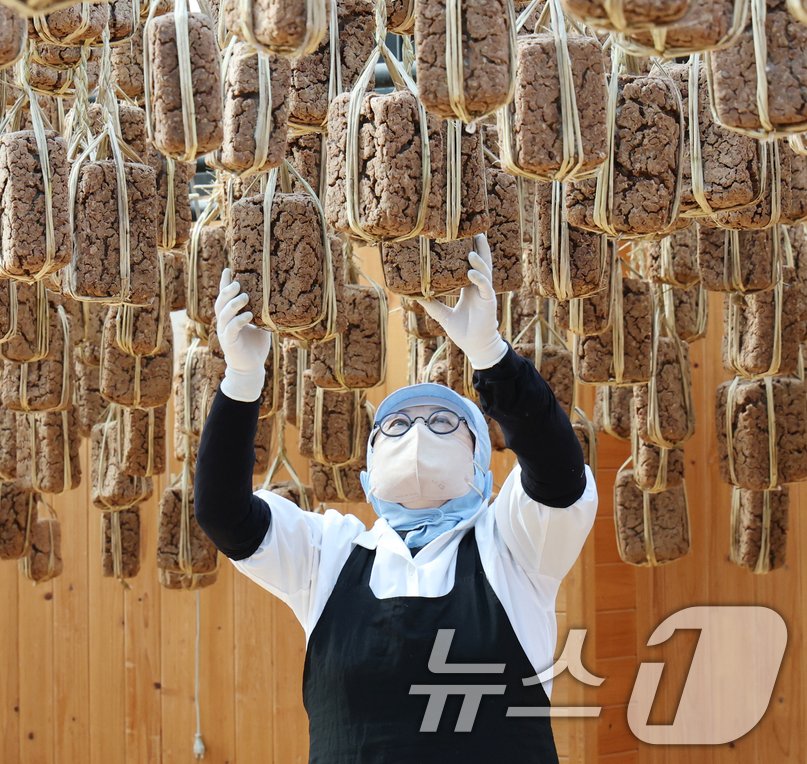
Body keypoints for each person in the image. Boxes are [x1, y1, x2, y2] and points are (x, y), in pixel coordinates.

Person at [195, 237, 598, 763]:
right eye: (397, 425)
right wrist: (242, 382)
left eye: (442, 423)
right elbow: (224, 514)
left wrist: (490, 354)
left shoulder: (514, 543)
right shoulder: (330, 554)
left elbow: (558, 471)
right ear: (368, 474)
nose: (416, 434)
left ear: (481, 466)